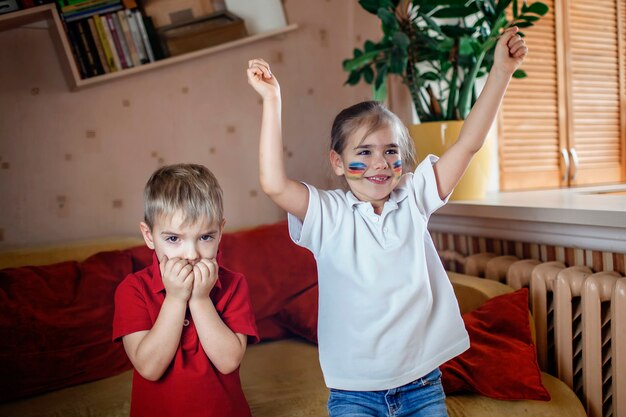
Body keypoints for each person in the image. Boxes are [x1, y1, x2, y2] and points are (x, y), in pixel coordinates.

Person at [246, 27, 527, 417]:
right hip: (353, 393)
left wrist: (501, 72)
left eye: (391, 151)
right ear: (338, 163)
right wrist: (272, 100)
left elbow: (468, 143)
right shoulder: (327, 214)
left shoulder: (414, 197)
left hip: (423, 386)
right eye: (365, 152)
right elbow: (273, 183)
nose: (380, 163)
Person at [112, 163, 259, 417]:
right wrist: (176, 299)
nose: (191, 254)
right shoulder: (132, 290)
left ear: (220, 232)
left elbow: (228, 362)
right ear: (149, 236)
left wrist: (200, 300)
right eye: (173, 239)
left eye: (205, 237)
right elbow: (149, 367)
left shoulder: (234, 284)